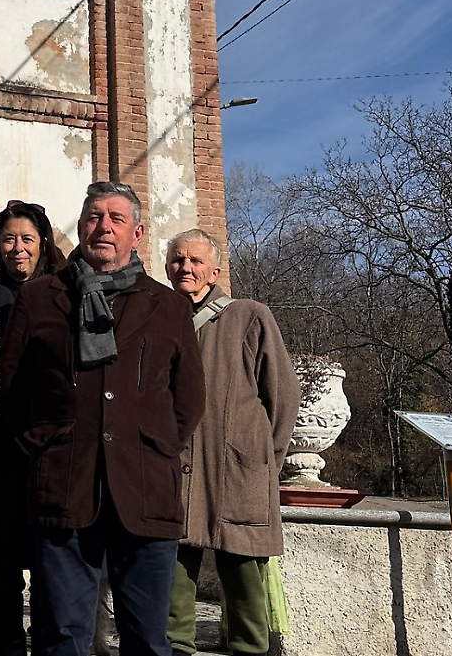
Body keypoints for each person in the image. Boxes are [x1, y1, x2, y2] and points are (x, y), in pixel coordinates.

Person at [0, 181, 206, 656]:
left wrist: (157, 445)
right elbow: (13, 389)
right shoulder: (40, 298)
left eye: (116, 218)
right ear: (81, 226)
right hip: (65, 485)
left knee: (149, 639)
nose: (103, 227)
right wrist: (44, 443)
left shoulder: (168, 306)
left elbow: (189, 396)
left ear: (138, 232)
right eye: (94, 217)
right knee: (62, 635)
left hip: (146, 489)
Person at [162, 229, 299, 656]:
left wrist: (260, 460)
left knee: (243, 573)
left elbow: (283, 396)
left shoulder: (249, 316)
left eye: (195, 261)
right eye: (178, 260)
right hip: (174, 468)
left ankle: (250, 650)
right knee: (173, 571)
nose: (186, 267)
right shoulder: (161, 318)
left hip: (236, 472)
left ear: (216, 271)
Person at [0, 200, 63, 656]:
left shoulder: (65, 297)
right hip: (1, 449)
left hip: (52, 449)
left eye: (27, 239)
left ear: (42, 244)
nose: (17, 248)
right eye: (8, 239)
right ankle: (4, 644)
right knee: (2, 562)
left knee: (53, 561)